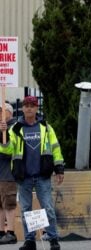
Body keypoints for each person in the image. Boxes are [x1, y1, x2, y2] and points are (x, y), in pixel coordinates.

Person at [0, 96, 64, 250]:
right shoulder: (15, 128)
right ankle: (30, 241)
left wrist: (59, 168)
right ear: (22, 108)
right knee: (26, 210)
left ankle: (53, 239)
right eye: (26, 106)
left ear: (36, 108)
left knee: (48, 207)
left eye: (32, 106)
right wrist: (3, 135)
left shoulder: (46, 128)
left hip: (42, 175)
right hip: (24, 176)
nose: (29, 108)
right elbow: (7, 150)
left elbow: (55, 148)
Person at [0, 103, 17, 245]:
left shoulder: (14, 127)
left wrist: (2, 133)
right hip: (1, 172)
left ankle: (10, 233)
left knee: (9, 204)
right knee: (0, 204)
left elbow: (8, 149)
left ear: (8, 113)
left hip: (8, 172)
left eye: (1, 111)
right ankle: (1, 232)